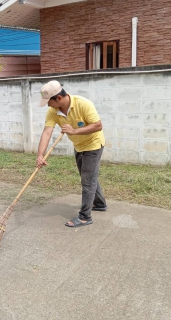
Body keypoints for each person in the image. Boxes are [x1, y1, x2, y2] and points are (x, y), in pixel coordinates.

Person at [36, 80, 107, 228]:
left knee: (87, 181)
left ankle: (84, 217)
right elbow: (47, 132)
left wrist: (74, 131)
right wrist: (40, 155)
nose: (48, 105)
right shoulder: (53, 112)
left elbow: (98, 125)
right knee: (88, 176)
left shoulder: (83, 104)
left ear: (59, 98)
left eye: (49, 101)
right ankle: (99, 203)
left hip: (93, 144)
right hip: (79, 145)